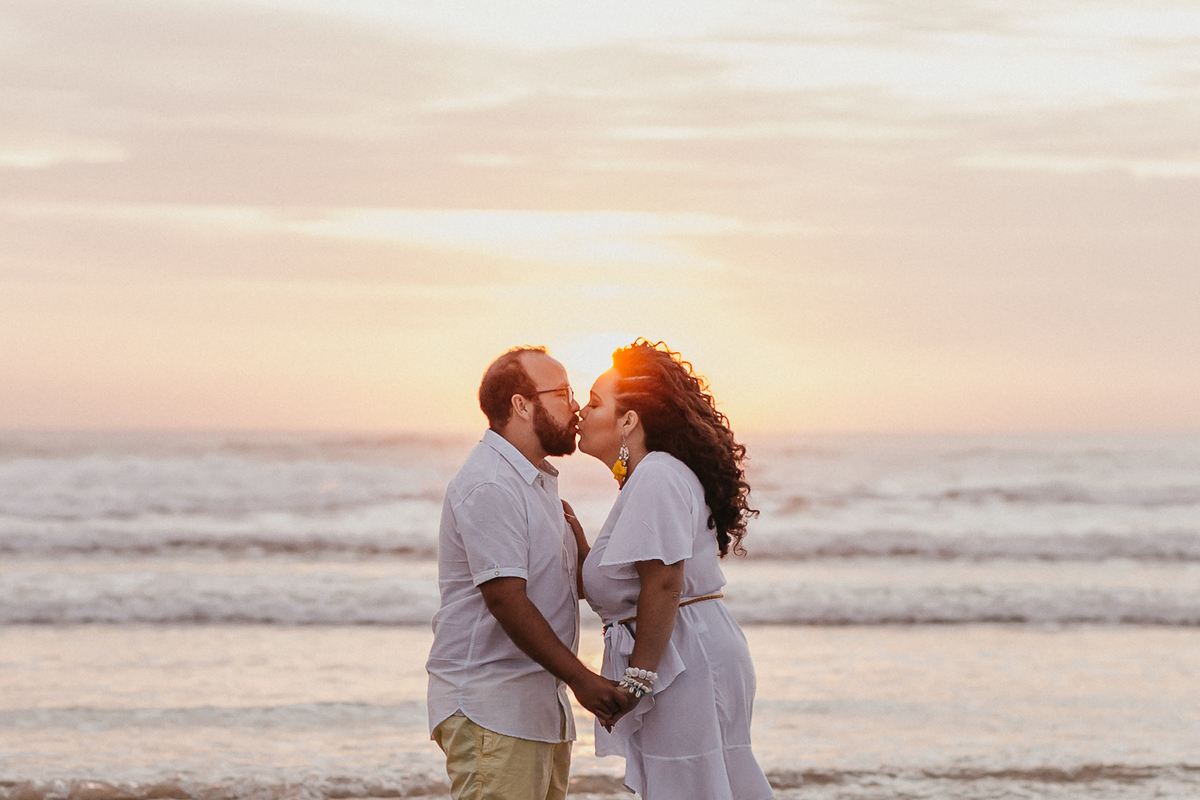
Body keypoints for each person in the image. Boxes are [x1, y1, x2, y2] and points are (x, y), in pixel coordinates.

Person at [426, 346, 633, 800]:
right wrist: (583, 680)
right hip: (493, 706)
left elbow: (568, 587)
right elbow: (506, 599)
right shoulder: (492, 484)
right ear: (521, 404)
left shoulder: (535, 482)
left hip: (535, 709)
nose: (575, 406)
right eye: (562, 393)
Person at [576, 340, 774, 800]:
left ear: (628, 420)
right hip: (685, 648)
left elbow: (664, 583)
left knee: (692, 787)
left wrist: (637, 682)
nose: (581, 412)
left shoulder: (657, 474)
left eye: (594, 402)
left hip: (685, 656)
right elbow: (631, 581)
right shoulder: (649, 476)